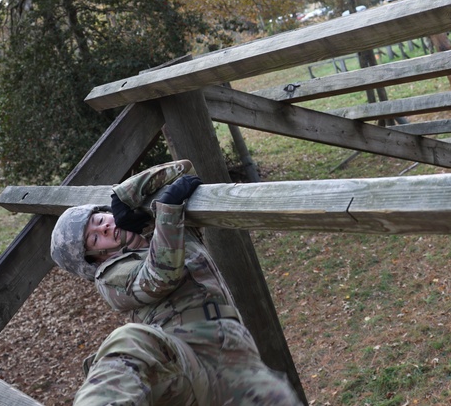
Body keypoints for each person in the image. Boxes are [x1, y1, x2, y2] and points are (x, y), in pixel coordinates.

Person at [50, 160, 301, 406]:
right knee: (129, 341)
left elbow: (185, 169)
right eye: (94, 239)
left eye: (98, 220)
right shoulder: (109, 278)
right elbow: (160, 277)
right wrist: (168, 211)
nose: (103, 228)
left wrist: (124, 196)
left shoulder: (157, 224)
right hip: (181, 357)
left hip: (234, 350)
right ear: (96, 258)